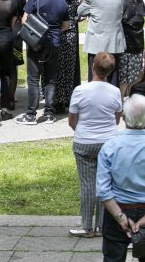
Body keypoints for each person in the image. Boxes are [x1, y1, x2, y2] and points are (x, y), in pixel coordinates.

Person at [68, 52, 122, 238]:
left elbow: (72, 120)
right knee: (104, 183)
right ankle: (101, 225)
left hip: (84, 142)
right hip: (109, 143)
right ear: (110, 71)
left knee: (87, 185)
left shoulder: (80, 91)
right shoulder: (115, 91)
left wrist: (82, 131)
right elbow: (117, 119)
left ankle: (87, 226)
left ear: (93, 67)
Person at [16, 0, 69, 125]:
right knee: (50, 79)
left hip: (36, 44)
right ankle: (49, 114)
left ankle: (31, 115)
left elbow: (25, 20)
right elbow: (65, 26)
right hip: (55, 43)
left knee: (33, 79)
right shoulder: (61, 1)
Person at [96, 93, 145, 262]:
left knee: (113, 258)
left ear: (123, 117)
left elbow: (103, 190)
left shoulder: (110, 146)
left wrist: (120, 217)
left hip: (117, 208)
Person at [77, 0, 126, 87]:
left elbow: (80, 11)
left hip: (96, 42)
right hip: (115, 41)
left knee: (94, 73)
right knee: (113, 74)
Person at [54, 0, 83, 112]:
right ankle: (68, 98)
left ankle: (56, 99)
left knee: (57, 68)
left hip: (58, 33)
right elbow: (81, 15)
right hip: (71, 34)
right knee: (70, 68)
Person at [0, 0, 26, 104]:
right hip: (16, 31)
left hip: (2, 30)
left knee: (0, 65)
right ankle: (10, 98)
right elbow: (22, 12)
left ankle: (0, 95)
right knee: (12, 66)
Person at [119, 0, 145, 97]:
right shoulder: (139, 0)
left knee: (124, 78)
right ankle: (130, 103)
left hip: (125, 44)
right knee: (134, 76)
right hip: (137, 43)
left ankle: (120, 105)